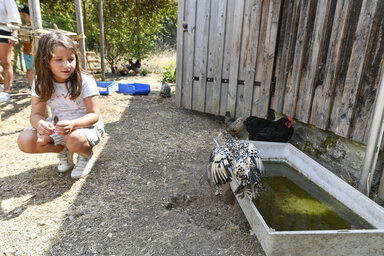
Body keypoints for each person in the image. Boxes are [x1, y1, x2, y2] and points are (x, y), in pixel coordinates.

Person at [17, 31, 104, 179]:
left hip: (85, 127)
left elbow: (94, 115)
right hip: (59, 127)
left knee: (74, 139)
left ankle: (86, 155)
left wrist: (73, 124)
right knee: (25, 140)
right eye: (59, 60)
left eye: (71, 59)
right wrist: (40, 124)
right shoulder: (40, 82)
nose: (67, 65)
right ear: (46, 62)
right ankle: (63, 151)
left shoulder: (86, 81)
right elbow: (35, 115)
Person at [0, 0, 21, 102]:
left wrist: (15, 34)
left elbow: (14, 15)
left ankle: (6, 91)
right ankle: (1, 82)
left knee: (5, 63)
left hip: (4, 31)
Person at [19, 5, 34, 90]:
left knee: (36, 71)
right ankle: (32, 87)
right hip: (26, 52)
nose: (24, 18)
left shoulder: (36, 28)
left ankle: (37, 87)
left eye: (25, 15)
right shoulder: (25, 27)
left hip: (34, 53)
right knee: (29, 70)